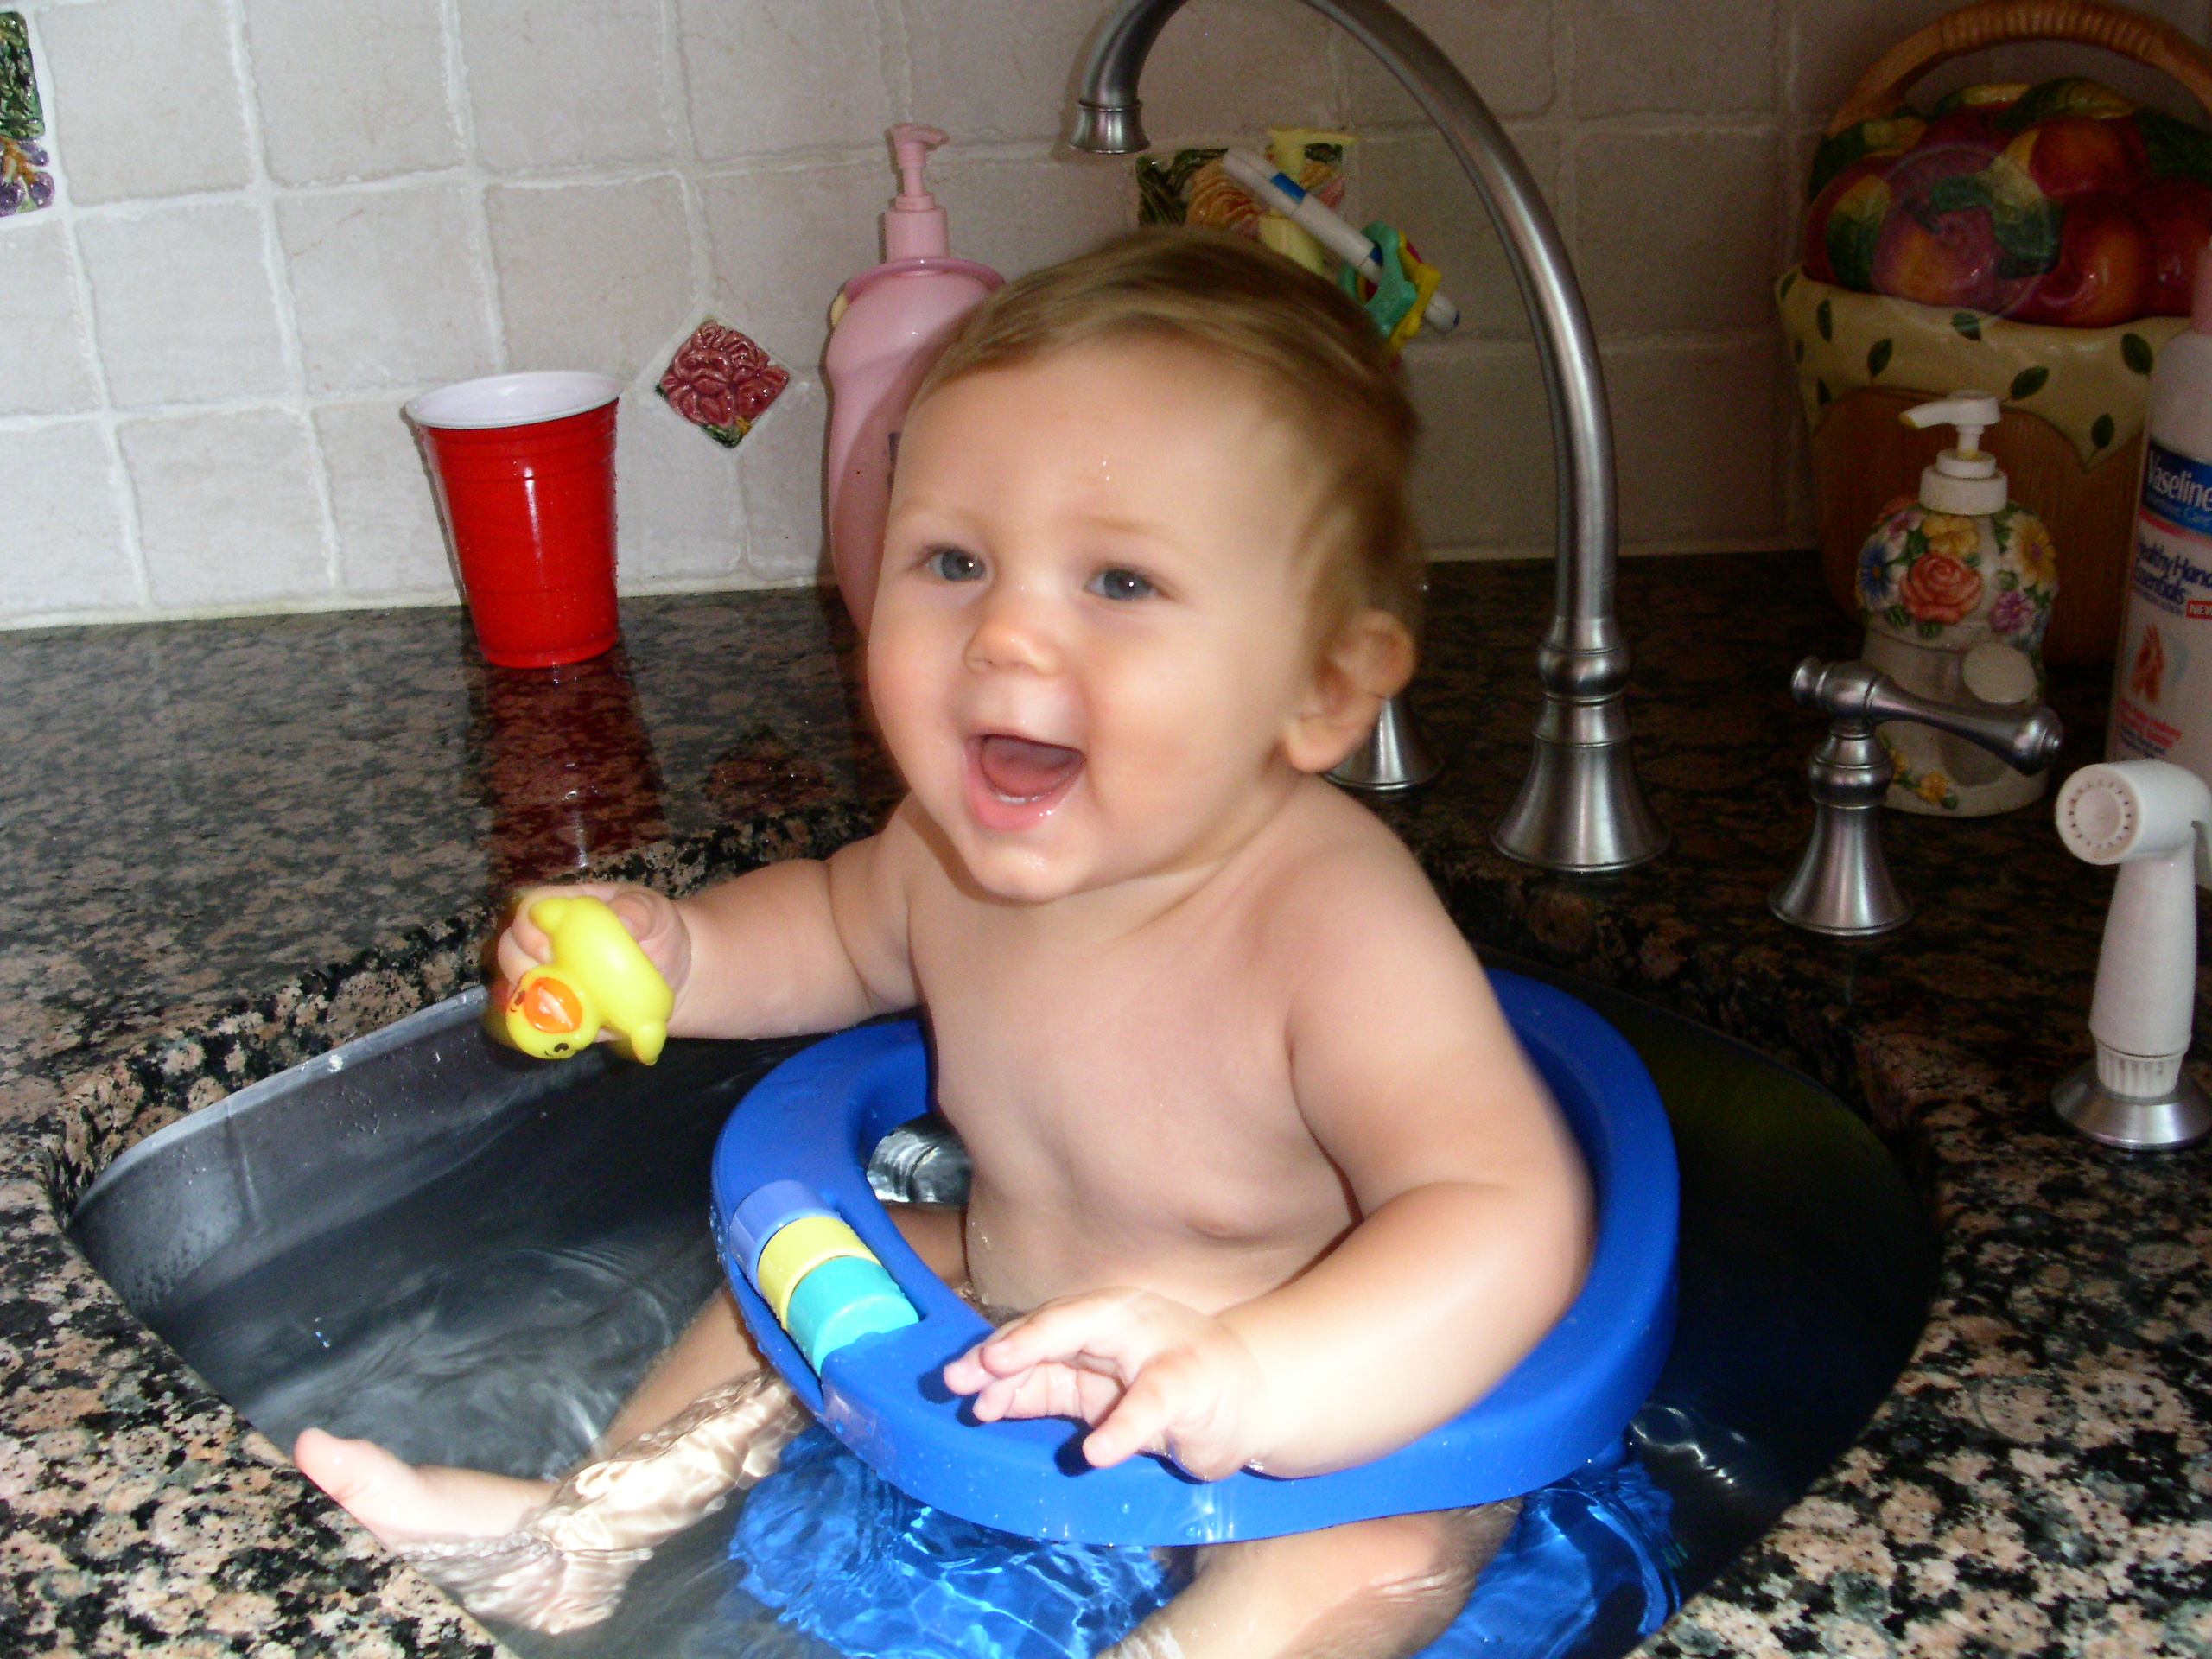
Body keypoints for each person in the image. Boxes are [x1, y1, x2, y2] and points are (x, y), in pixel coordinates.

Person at [294, 228, 1593, 1659]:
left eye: (1121, 581)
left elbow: (1502, 1207)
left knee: (1384, 1551)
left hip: (1306, 1412)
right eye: (956, 560)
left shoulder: (1329, 924)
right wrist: (680, 957)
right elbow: (829, 930)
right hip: (1014, 1304)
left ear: (1325, 688)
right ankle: (578, 1533)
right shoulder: (942, 858)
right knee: (790, 1280)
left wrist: (1254, 1377)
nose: (1007, 635)